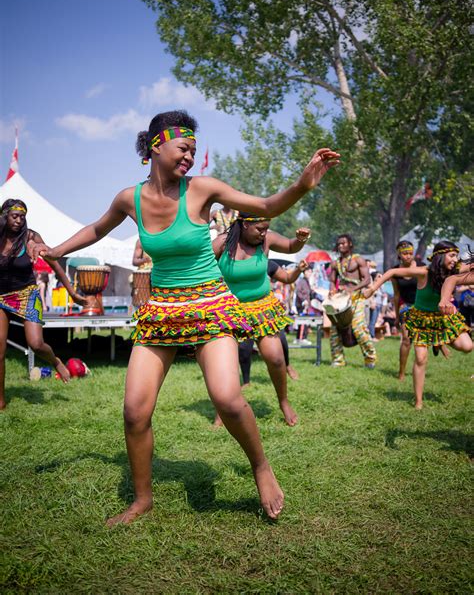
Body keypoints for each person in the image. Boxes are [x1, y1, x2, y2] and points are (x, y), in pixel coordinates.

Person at [30, 110, 339, 524]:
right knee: (135, 412)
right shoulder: (130, 199)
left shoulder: (202, 190)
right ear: (157, 145)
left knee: (228, 400)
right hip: (161, 311)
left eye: (193, 149)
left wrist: (303, 184)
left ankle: (261, 467)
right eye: (183, 147)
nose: (190, 157)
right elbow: (97, 229)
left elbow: (265, 205)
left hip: (210, 304)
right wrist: (56, 251)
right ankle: (142, 499)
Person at [213, 214, 312, 427]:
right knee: (227, 363)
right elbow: (200, 267)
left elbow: (290, 246)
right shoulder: (223, 242)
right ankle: (223, 410)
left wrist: (300, 239)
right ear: (245, 223)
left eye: (266, 228)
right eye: (260, 228)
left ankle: (283, 402)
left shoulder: (266, 240)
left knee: (275, 358)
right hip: (230, 310)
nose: (264, 233)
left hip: (262, 307)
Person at [364, 240, 472, 409]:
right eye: (452, 255)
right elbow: (392, 271)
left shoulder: (456, 270)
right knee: (421, 358)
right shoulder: (424, 272)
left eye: (456, 256)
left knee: (467, 346)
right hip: (422, 319)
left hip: (443, 319)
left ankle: (439, 341)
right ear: (440, 256)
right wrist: (372, 289)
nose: (455, 259)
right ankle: (418, 402)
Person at [0, 199, 86, 410]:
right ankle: (1, 401)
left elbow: (54, 263)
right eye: (14, 216)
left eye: (22, 216)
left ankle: (55, 361)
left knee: (36, 343)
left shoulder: (30, 237)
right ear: (4, 216)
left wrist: (72, 292)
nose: (19, 221)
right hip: (1, 298)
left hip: (27, 294)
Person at [328, 234, 377, 368]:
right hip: (341, 300)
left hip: (357, 298)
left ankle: (370, 358)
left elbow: (367, 280)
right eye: (339, 244)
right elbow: (332, 281)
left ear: (350, 243)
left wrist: (353, 289)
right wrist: (332, 290)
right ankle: (338, 360)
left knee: (359, 329)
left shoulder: (358, 260)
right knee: (334, 330)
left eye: (343, 243)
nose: (340, 246)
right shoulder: (335, 263)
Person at [391, 240, 420, 380]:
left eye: (410, 253)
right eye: (405, 253)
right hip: (405, 305)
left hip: (421, 305)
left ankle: (419, 368)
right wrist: (397, 316)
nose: (408, 256)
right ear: (399, 255)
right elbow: (396, 295)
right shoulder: (395, 272)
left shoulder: (421, 267)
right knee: (407, 340)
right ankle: (401, 373)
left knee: (421, 340)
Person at [294, 269, 312, 345]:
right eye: (308, 271)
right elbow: (298, 292)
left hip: (306, 304)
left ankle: (300, 338)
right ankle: (301, 338)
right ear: (304, 272)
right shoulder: (301, 281)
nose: (309, 273)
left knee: (305, 322)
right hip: (302, 305)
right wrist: (303, 300)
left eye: (310, 272)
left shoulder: (307, 281)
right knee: (302, 322)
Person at [368, 272, 384, 338]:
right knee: (372, 321)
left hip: (379, 305)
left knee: (374, 321)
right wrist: (371, 303)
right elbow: (371, 295)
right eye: (378, 276)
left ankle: (372, 335)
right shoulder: (372, 285)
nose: (380, 277)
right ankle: (371, 336)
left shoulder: (380, 286)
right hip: (374, 305)